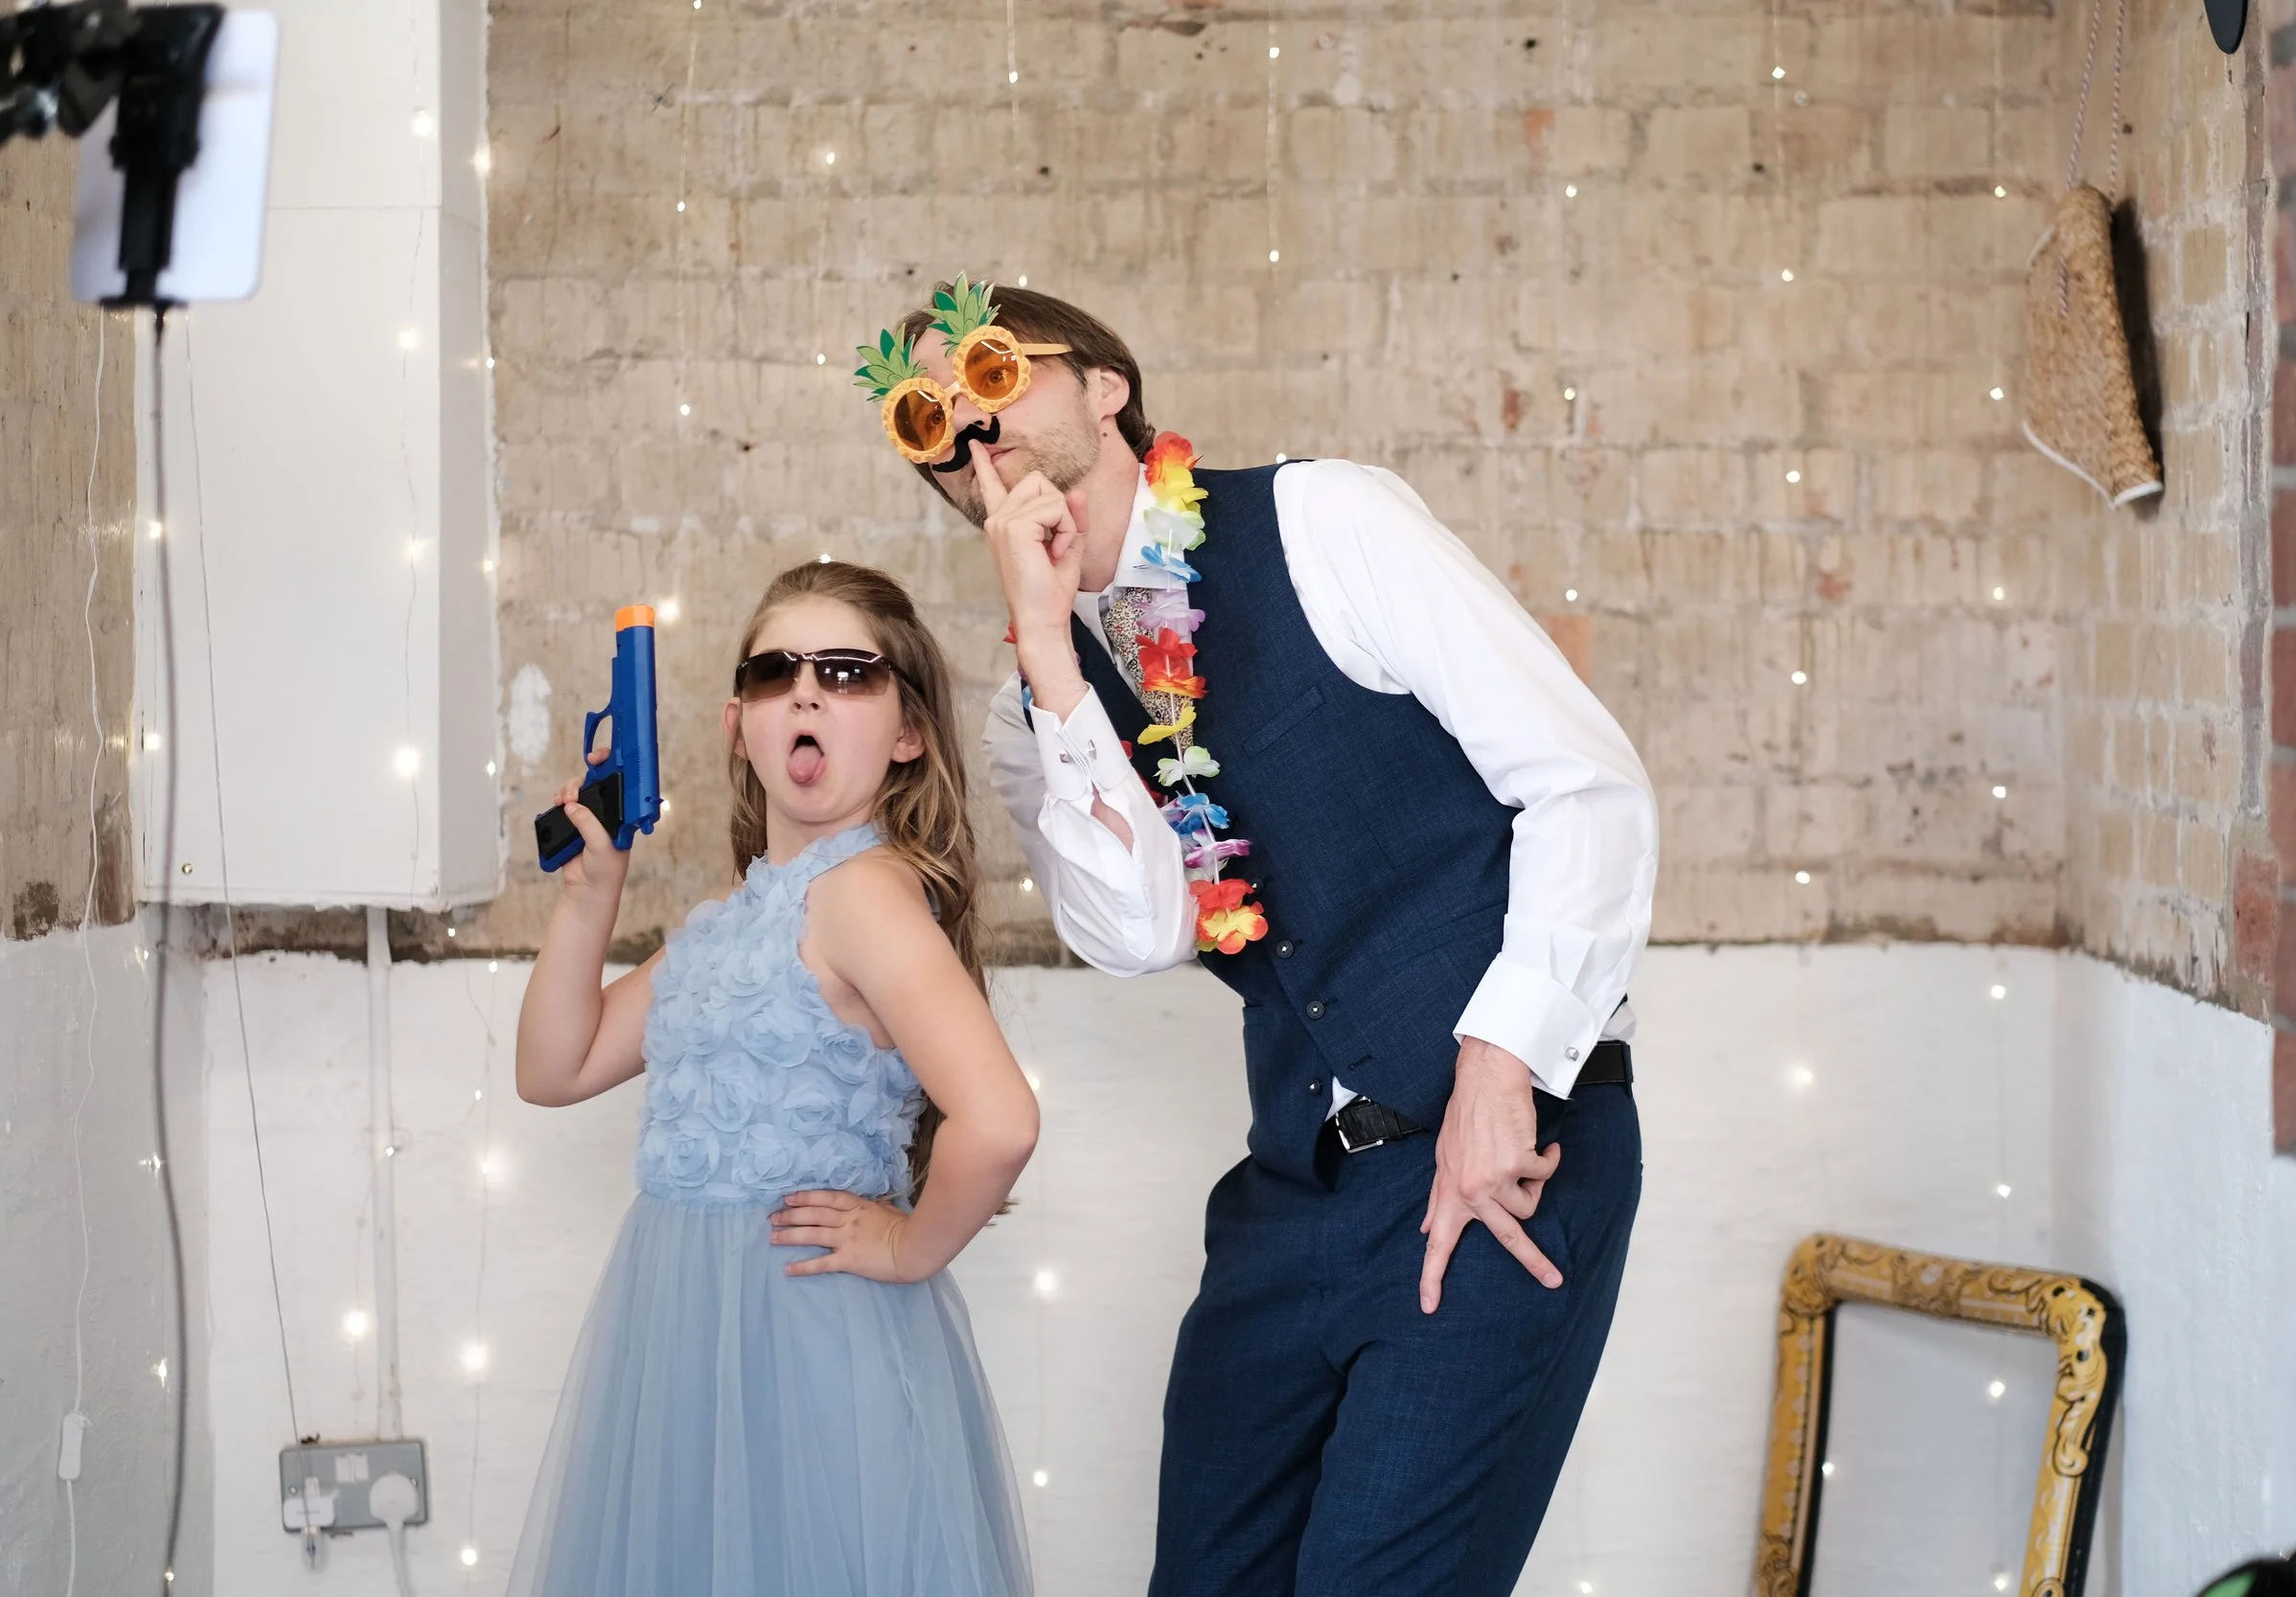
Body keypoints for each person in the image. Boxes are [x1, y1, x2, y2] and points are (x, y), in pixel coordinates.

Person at [838, 275, 1658, 1597]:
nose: (966, 430)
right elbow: (1143, 926)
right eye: (926, 421)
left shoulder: (1325, 519)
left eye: (991, 374)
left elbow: (1588, 784)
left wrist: (1501, 1068)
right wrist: (1051, 645)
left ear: (1105, 385)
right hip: (1291, 1200)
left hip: (1507, 1150)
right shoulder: (1028, 713)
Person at [509, 561, 1037, 1597]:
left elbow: (1001, 1117)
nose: (805, 690)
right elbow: (554, 1067)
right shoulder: (733, 915)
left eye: (846, 672)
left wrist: (906, 1241)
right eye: (774, 671)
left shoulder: (864, 896)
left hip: (808, 1345)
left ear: (906, 732)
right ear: (735, 722)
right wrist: (591, 898)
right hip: (686, 1349)